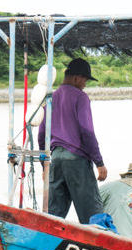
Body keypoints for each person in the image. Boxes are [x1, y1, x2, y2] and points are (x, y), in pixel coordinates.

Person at [38, 58, 107, 223]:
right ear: (77, 78)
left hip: (56, 159)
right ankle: (97, 245)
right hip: (76, 158)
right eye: (85, 81)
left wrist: (44, 165)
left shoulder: (50, 98)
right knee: (92, 213)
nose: (85, 85)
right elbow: (87, 130)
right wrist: (99, 162)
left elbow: (42, 133)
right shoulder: (80, 97)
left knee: (54, 214)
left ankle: (48, 244)